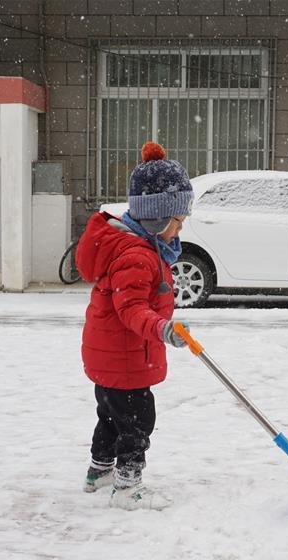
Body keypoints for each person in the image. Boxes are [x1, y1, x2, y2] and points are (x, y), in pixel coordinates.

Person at [75, 141, 193, 511]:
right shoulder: (137, 257)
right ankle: (127, 487)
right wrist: (163, 329)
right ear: (158, 219)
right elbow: (131, 310)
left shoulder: (136, 248)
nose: (180, 230)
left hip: (111, 357)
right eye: (178, 222)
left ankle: (99, 472)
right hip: (125, 359)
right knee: (137, 422)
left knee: (111, 416)